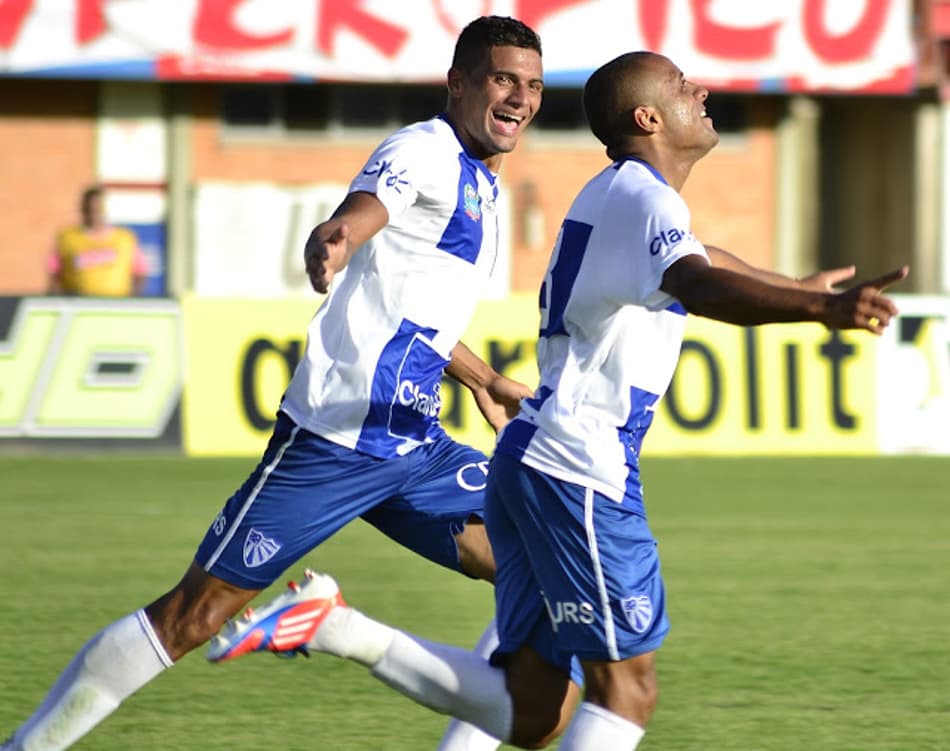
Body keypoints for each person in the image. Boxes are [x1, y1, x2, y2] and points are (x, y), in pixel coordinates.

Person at [207, 51, 910, 750]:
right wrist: (818, 310)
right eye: (679, 84)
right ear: (648, 116)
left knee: (534, 712)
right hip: (581, 465)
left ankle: (336, 625)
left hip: (537, 456)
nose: (700, 89)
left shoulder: (619, 194)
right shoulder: (645, 199)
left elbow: (706, 258)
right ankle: (335, 627)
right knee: (627, 690)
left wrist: (802, 288)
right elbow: (700, 282)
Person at [1, 15, 558, 751]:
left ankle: (348, 635)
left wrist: (481, 376)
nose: (520, 98)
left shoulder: (480, 180)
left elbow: (406, 309)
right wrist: (337, 235)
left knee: (541, 559)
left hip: (412, 440)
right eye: (502, 80)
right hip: (333, 440)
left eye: (534, 85)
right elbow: (362, 213)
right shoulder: (422, 151)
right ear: (458, 83)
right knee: (191, 617)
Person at [47, 184, 148, 297]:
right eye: (89, 209)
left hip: (116, 307)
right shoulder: (67, 238)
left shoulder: (124, 239)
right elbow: (54, 274)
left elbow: (140, 273)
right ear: (82, 209)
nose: (94, 214)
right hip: (78, 308)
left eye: (98, 209)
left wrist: (133, 301)